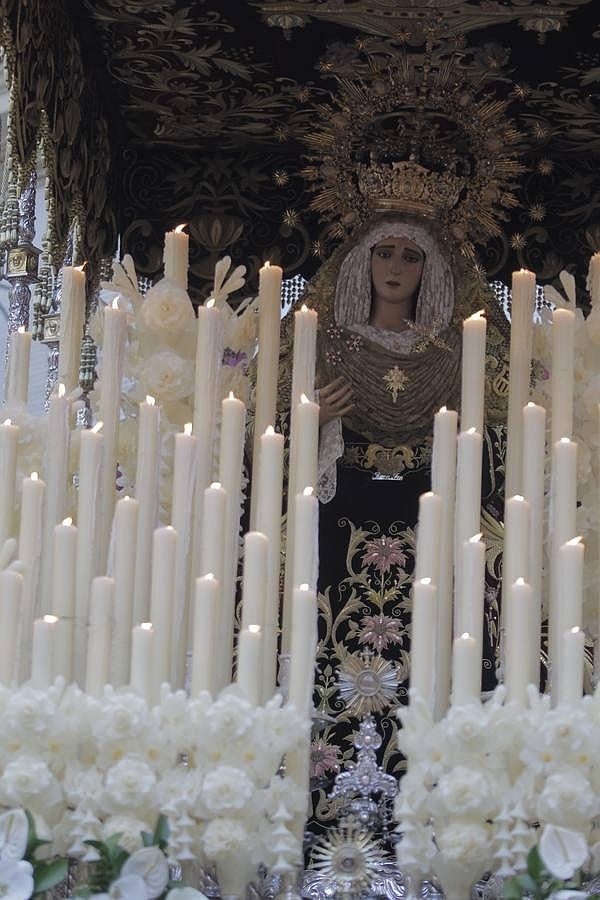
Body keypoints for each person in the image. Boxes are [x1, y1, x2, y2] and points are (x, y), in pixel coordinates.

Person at [299, 213, 509, 840]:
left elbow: (503, 442)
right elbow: (265, 441)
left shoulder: (452, 353)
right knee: (332, 648)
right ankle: (330, 803)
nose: (394, 267)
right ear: (361, 263)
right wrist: (312, 420)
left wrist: (464, 434)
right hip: (340, 524)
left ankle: (429, 808)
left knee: (431, 646)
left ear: (431, 271)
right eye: (384, 253)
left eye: (410, 256)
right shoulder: (326, 344)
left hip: (430, 520)